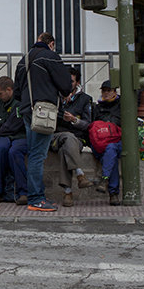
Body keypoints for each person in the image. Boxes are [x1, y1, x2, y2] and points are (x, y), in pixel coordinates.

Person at [14, 32, 72, 212]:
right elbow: (66, 86)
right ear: (51, 43)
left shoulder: (23, 60)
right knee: (38, 156)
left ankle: (35, 195)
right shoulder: (51, 57)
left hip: (27, 111)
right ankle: (36, 199)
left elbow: (17, 92)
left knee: (33, 154)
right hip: (44, 112)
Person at [51, 67, 95, 207]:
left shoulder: (85, 99)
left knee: (67, 147)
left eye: (70, 81)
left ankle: (68, 192)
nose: (66, 84)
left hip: (77, 139)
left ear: (77, 83)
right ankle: (80, 174)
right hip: (55, 137)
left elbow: (88, 124)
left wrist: (74, 120)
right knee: (67, 138)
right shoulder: (54, 97)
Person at [0, 76, 27, 205]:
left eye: (0, 94)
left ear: (9, 90)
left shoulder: (19, 102)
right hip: (4, 135)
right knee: (1, 150)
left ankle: (23, 192)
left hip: (19, 135)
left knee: (14, 152)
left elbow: (12, 126)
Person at [91, 80, 122, 206]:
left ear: (115, 91)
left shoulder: (121, 105)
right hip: (100, 143)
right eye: (103, 91)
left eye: (108, 90)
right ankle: (113, 192)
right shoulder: (97, 108)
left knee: (111, 150)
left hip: (116, 142)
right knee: (110, 153)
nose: (105, 93)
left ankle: (106, 182)